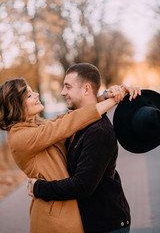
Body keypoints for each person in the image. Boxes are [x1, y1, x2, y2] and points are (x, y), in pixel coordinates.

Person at [0, 76, 135, 233]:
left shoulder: (36, 126)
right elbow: (67, 124)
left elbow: (69, 117)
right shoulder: (19, 137)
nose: (36, 94)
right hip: (54, 214)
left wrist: (106, 95)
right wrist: (114, 101)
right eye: (29, 95)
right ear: (16, 106)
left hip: (63, 205)